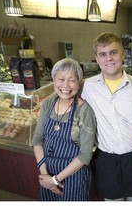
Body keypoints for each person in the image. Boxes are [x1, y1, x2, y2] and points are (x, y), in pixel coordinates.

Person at [81, 32, 132, 201]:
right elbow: (66, 97)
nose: (108, 58)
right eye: (102, 54)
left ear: (123, 53)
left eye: (113, 52)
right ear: (96, 58)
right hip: (106, 161)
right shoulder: (88, 87)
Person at [32, 58, 97, 201]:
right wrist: (45, 177)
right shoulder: (48, 103)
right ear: (53, 80)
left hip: (73, 175)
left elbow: (85, 155)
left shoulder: (84, 111)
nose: (65, 85)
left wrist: (55, 180)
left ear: (79, 83)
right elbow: (37, 140)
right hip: (47, 171)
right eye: (61, 79)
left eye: (72, 80)